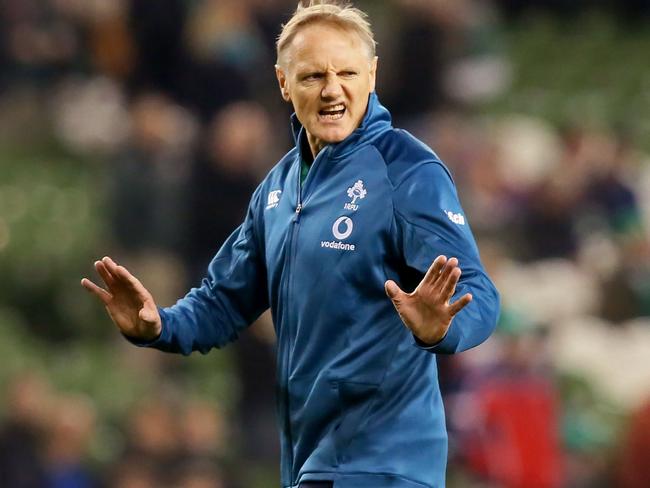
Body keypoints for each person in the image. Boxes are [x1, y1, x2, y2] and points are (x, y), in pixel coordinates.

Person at [81, 2, 500, 487]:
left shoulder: (406, 171)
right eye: (312, 75)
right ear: (283, 83)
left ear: (372, 74)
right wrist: (160, 325)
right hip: (308, 465)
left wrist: (440, 330)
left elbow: (480, 295)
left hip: (386, 466)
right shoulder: (277, 190)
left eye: (346, 72)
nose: (331, 90)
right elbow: (224, 300)